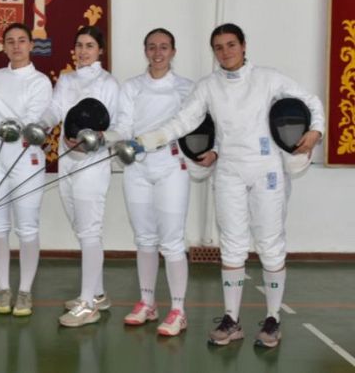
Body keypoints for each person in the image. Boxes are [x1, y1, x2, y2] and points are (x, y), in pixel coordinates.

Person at [136, 23, 324, 347]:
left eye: (231, 45)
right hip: (229, 173)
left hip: (267, 171)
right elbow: (185, 120)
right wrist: (151, 139)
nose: (226, 52)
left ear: (244, 45)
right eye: (219, 47)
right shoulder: (208, 86)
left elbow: (310, 100)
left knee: (269, 245)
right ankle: (231, 320)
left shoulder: (268, 78)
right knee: (233, 246)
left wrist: (316, 130)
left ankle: (272, 319)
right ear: (214, 52)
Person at [108, 28, 202, 336]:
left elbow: (195, 126)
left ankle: (178, 309)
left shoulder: (187, 88)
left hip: (171, 167)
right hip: (137, 167)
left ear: (173, 51)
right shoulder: (132, 87)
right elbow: (122, 126)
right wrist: (103, 139)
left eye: (164, 47)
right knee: (144, 239)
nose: (157, 52)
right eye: (152, 47)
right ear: (145, 51)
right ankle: (147, 303)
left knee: (172, 241)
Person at [40, 26, 120, 327]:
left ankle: (87, 305)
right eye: (79, 45)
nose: (83, 51)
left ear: (100, 50)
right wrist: (41, 125)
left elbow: (114, 125)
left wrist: (92, 140)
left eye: (89, 46)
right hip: (67, 161)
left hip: (93, 163)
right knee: (81, 226)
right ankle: (98, 294)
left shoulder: (108, 83)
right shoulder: (67, 79)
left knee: (89, 230)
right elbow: (55, 109)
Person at [0, 23, 53, 317]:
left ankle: (24, 291)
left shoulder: (40, 81)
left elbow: (31, 123)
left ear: (31, 45)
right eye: (10, 41)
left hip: (26, 159)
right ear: (3, 46)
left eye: (22, 40)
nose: (16, 46)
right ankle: (3, 289)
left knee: (27, 228)